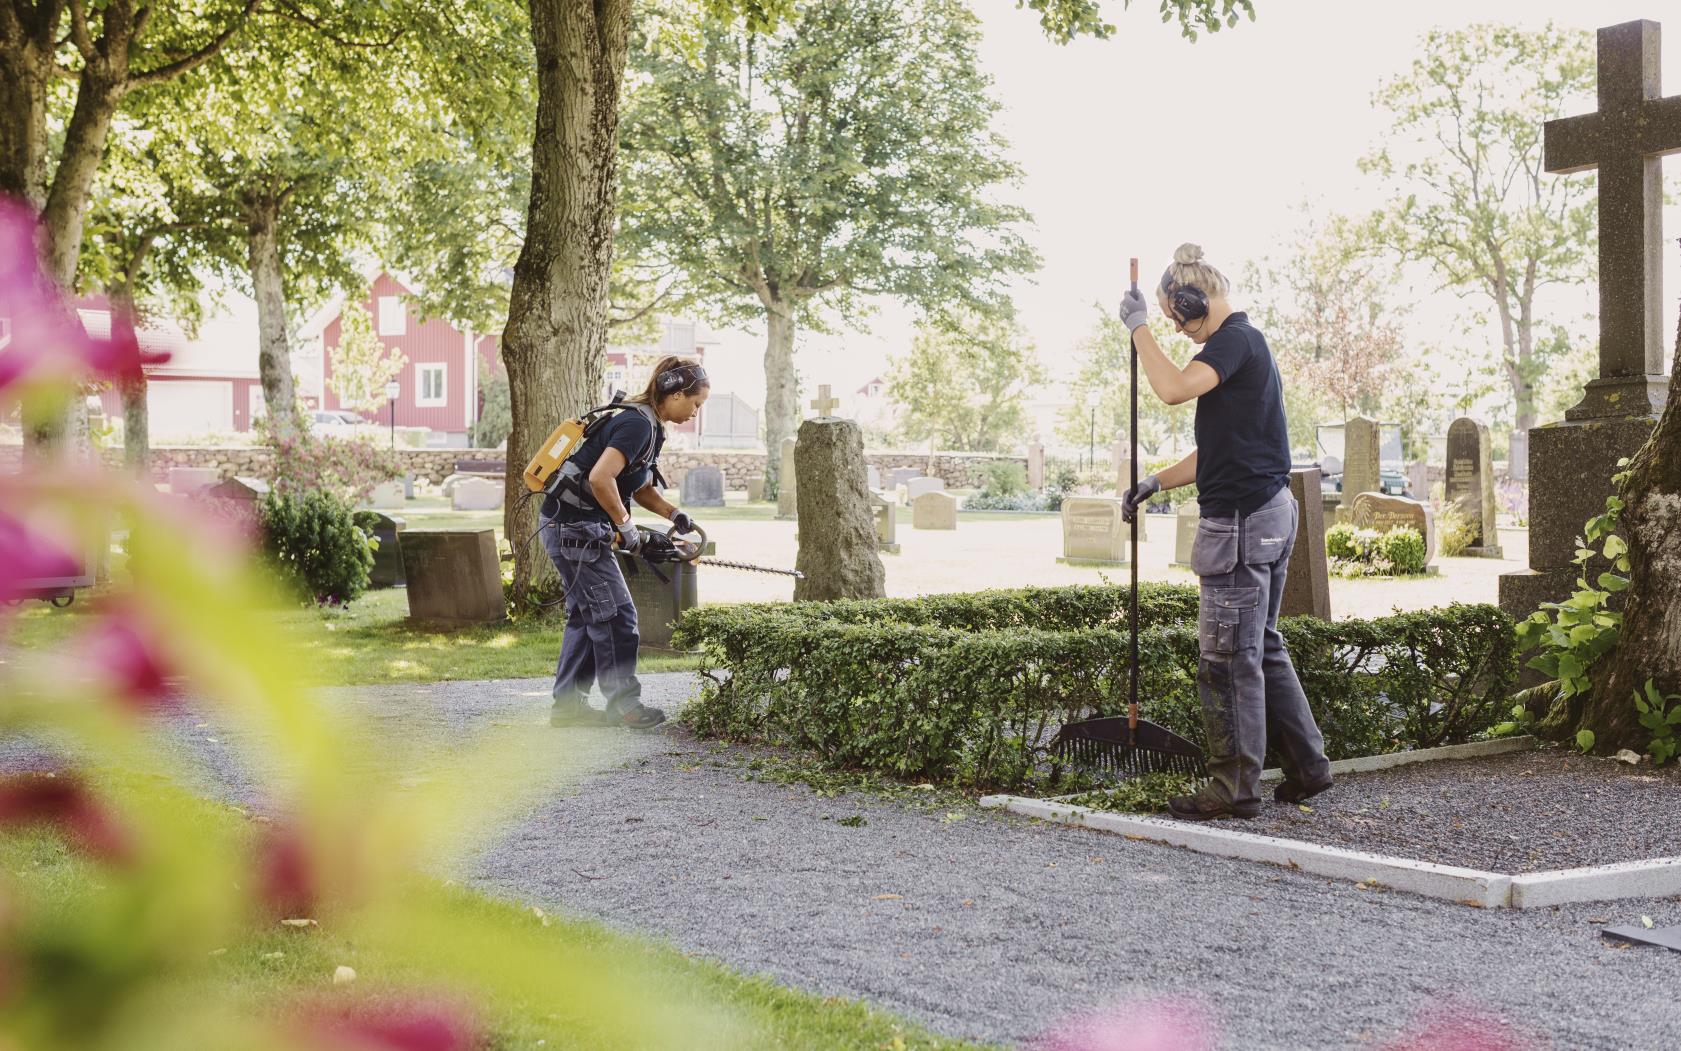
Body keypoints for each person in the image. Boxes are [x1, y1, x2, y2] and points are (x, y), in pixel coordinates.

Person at [1118, 243, 1332, 820]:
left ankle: (1234, 788)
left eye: (1174, 316)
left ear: (1194, 301)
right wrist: (1156, 482)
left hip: (1240, 524)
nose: (1176, 329)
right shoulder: (1240, 347)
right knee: (1260, 645)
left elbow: (1171, 389)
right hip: (1264, 512)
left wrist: (1139, 329)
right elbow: (1217, 448)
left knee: (1226, 659)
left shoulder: (1233, 341)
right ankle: (1308, 768)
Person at [537, 356, 710, 729]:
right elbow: (601, 479)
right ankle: (624, 707)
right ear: (676, 394)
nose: (696, 412)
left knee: (587, 616)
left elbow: (637, 484)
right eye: (695, 404)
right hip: (575, 529)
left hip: (570, 527)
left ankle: (568, 708)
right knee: (616, 616)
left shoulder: (649, 425)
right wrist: (627, 527)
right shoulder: (636, 424)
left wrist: (672, 514)